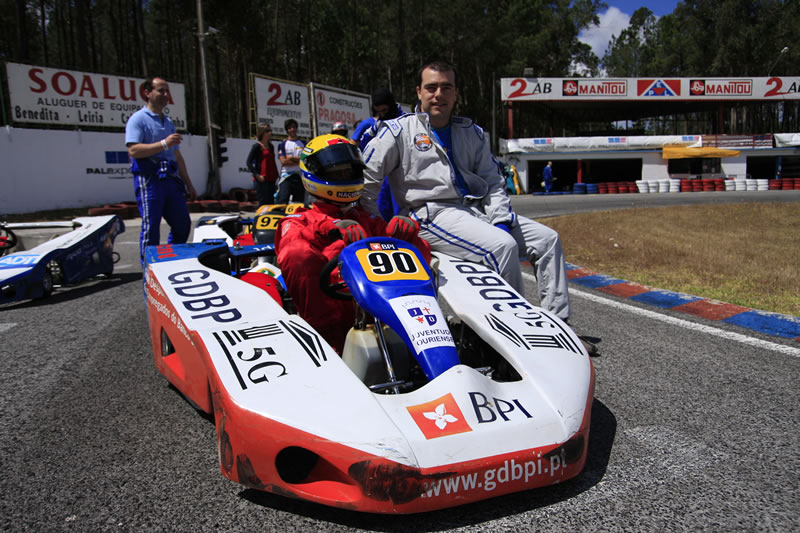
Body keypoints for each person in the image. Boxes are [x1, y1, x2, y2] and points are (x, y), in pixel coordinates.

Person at [361, 60, 596, 353]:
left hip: (475, 210)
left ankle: (560, 326)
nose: (439, 94)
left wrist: (499, 218)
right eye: (431, 87)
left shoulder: (470, 131)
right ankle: (516, 339)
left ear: (456, 92)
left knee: (548, 240)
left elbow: (493, 181)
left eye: (446, 87)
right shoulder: (397, 131)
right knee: (502, 247)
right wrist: (375, 228)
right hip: (428, 213)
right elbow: (366, 183)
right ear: (419, 92)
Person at [275, 134, 431, 353]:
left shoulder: (364, 219)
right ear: (314, 173)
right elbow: (295, 251)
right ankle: (329, 345)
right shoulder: (298, 221)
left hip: (381, 316)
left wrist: (407, 236)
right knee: (297, 252)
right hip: (329, 329)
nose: (345, 176)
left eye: (349, 171)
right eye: (337, 172)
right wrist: (331, 228)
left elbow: (412, 254)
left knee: (414, 244)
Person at [125, 76, 197, 266]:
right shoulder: (138, 119)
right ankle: (149, 268)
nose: (166, 95)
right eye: (161, 91)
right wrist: (164, 143)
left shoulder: (168, 122)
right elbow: (133, 150)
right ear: (147, 93)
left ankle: (172, 259)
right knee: (151, 226)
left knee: (182, 223)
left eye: (167, 91)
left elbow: (177, 156)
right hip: (150, 179)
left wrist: (188, 183)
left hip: (170, 179)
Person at [352, 87, 405, 221]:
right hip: (382, 174)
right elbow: (363, 141)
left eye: (384, 110)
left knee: (400, 212)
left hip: (402, 173)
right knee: (382, 210)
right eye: (379, 112)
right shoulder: (378, 124)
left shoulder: (407, 120)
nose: (382, 114)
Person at [246, 125, 279, 207]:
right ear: (262, 133)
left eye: (270, 130)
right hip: (262, 178)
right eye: (267, 131)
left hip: (272, 177)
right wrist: (257, 175)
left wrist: (277, 174)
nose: (270, 133)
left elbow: (272, 161)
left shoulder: (271, 146)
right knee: (263, 202)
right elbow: (248, 162)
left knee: (271, 201)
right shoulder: (257, 146)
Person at [276, 118, 306, 204]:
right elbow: (284, 162)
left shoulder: (304, 143)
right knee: (283, 201)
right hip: (286, 177)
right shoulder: (283, 144)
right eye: (290, 128)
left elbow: (306, 159)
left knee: (298, 203)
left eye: (294, 127)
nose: (292, 129)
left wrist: (291, 158)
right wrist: (299, 159)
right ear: (287, 130)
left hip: (300, 177)